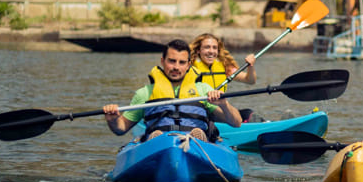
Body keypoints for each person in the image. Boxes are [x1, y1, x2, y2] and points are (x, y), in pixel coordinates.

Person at [103, 39, 243, 142]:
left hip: (196, 145)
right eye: (172, 61)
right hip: (160, 148)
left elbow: (236, 122)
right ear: (162, 61)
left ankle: (197, 139)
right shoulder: (144, 93)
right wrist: (113, 119)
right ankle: (156, 140)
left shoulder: (203, 90)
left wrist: (224, 104)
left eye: (181, 62)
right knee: (156, 137)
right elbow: (120, 129)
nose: (176, 67)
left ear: (188, 65)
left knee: (198, 134)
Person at [189, 33, 259, 122]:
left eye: (214, 48)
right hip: (201, 110)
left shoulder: (224, 66)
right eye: (207, 47)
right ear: (198, 50)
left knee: (248, 113)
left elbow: (250, 80)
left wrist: (251, 66)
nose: (211, 51)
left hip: (220, 107)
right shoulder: (189, 66)